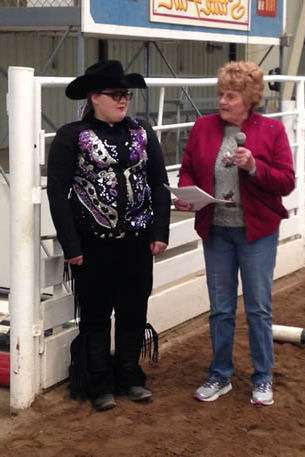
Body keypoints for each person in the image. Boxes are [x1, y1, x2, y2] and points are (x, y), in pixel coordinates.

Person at [47, 60, 171, 411]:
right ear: (94, 97)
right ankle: (98, 382)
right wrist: (71, 245)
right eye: (115, 95)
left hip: (137, 242)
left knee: (134, 310)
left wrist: (159, 230)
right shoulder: (71, 136)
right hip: (92, 245)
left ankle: (130, 375)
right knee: (96, 314)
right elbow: (58, 193)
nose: (123, 101)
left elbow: (159, 184)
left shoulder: (143, 132)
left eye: (126, 94)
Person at [175, 61, 295, 406]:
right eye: (220, 94)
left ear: (249, 99)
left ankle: (262, 377)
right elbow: (187, 170)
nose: (223, 102)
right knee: (221, 308)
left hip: (256, 232)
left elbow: (286, 182)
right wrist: (187, 194)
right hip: (217, 231)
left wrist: (254, 166)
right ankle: (220, 374)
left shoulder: (271, 132)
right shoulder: (202, 127)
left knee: (258, 308)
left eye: (230, 96)